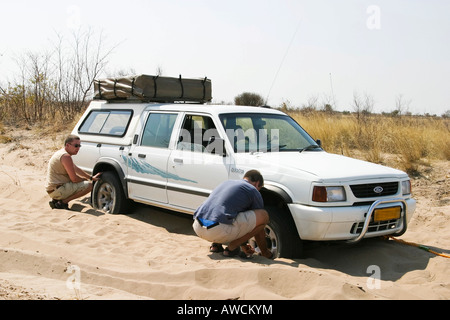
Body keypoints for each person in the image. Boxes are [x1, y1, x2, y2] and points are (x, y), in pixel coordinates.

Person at [193, 170, 273, 259]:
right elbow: (257, 225)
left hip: (198, 227)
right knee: (263, 216)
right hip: (218, 230)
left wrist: (243, 245)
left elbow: (233, 216)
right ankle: (231, 248)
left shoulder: (227, 183)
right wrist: (265, 252)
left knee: (224, 212)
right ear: (257, 183)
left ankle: (216, 246)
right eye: (260, 188)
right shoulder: (252, 190)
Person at [45, 134, 101, 210]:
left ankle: (57, 200)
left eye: (79, 146)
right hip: (57, 190)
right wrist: (85, 180)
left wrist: (90, 177)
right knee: (90, 186)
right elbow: (74, 179)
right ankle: (63, 202)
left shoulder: (62, 153)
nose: (78, 148)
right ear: (67, 145)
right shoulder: (66, 157)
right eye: (76, 146)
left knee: (85, 183)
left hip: (53, 189)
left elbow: (76, 169)